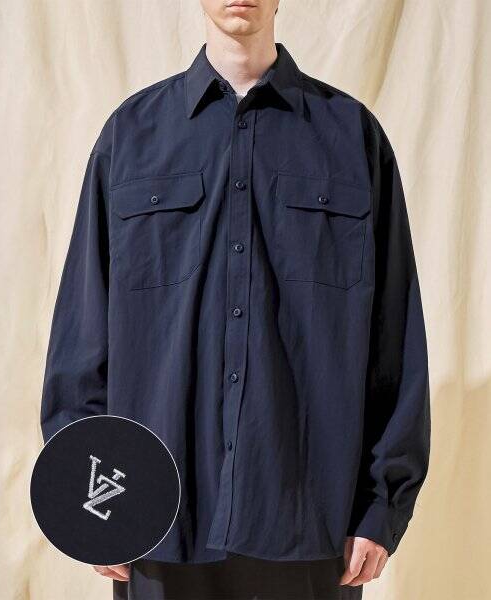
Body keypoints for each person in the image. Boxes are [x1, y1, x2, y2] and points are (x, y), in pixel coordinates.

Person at [40, 1, 431, 598]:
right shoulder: (131, 135)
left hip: (310, 521)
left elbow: (395, 336)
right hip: (156, 519)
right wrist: (91, 504)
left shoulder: (352, 137)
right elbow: (83, 328)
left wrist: (382, 505)